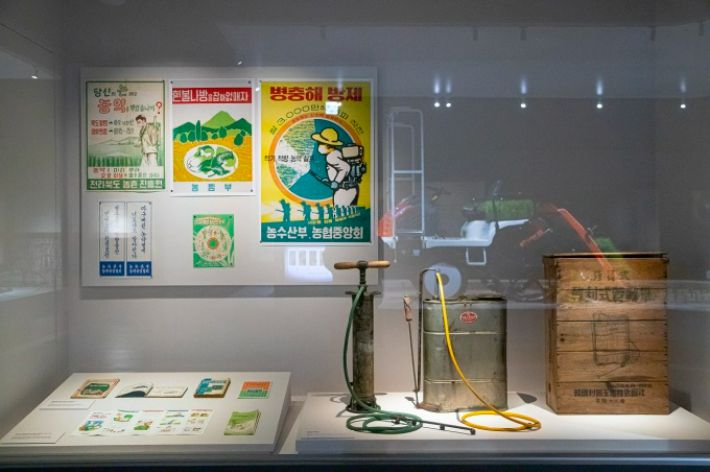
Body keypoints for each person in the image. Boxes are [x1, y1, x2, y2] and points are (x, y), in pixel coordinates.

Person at [311, 127, 358, 207]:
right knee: (351, 210)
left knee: (339, 211)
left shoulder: (330, 157)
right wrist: (330, 180)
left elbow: (346, 167)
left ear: (328, 145)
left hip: (344, 190)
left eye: (320, 144)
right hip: (351, 188)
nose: (318, 146)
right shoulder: (336, 153)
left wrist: (336, 181)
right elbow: (338, 169)